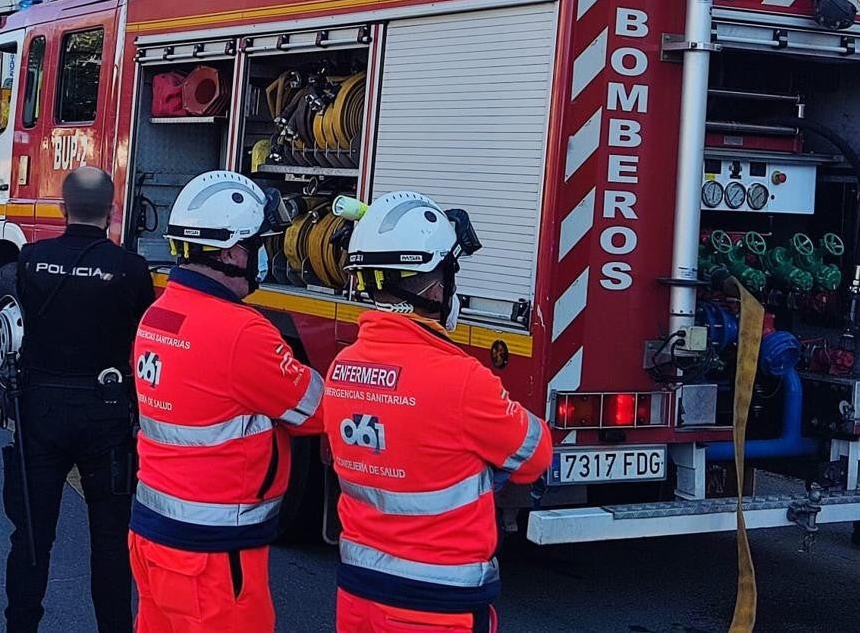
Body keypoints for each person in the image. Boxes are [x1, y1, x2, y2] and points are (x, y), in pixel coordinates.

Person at [323, 192, 553, 633]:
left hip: (358, 596)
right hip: (435, 606)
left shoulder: (342, 367)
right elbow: (535, 453)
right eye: (451, 272)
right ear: (433, 284)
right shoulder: (462, 380)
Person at [130, 170, 326, 633]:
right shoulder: (243, 332)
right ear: (233, 251)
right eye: (258, 245)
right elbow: (318, 410)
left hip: (154, 539)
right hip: (214, 556)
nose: (262, 257)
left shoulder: (158, 315)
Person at [4, 166, 155, 632]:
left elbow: (14, 327)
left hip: (40, 409)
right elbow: (140, 339)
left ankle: (21, 625)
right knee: (109, 540)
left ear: (61, 208)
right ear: (112, 211)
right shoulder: (130, 269)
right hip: (104, 412)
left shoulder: (29, 260)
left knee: (32, 535)